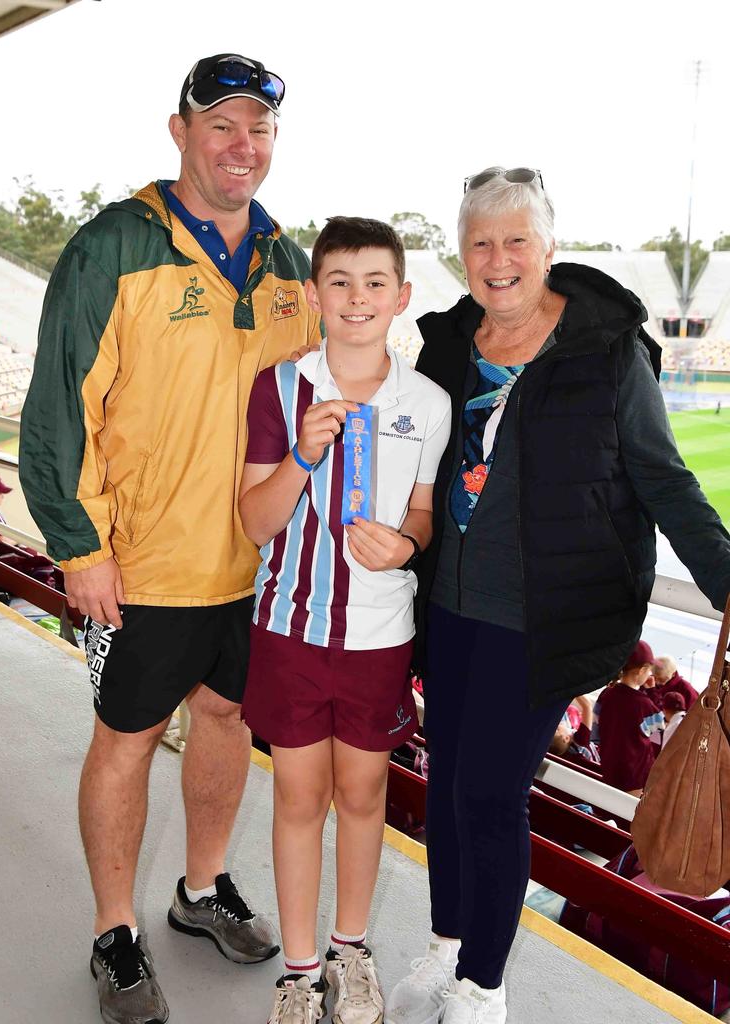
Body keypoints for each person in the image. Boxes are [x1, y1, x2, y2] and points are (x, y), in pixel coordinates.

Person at [384, 166, 730, 1024]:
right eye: (480, 242)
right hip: (449, 609)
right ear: (460, 253)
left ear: (548, 247)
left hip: (543, 621)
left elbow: (664, 480)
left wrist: (725, 579)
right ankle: (447, 944)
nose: (498, 259)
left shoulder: (606, 351)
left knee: (492, 796)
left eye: (516, 241)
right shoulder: (447, 344)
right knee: (449, 783)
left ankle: (485, 987)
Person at [19, 52, 321, 1024]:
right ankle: (116, 929)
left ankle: (199, 889)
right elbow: (59, 405)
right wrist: (80, 543)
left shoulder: (285, 265)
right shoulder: (115, 245)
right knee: (127, 737)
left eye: (260, 129)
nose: (243, 146)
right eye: (223, 125)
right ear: (180, 130)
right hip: (143, 561)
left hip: (254, 567)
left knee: (228, 722)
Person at [239, 217, 451, 1024]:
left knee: (363, 796)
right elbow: (255, 523)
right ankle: (298, 973)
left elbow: (424, 516)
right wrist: (302, 455)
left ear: (400, 297)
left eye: (374, 284)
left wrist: (405, 545)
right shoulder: (280, 386)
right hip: (290, 632)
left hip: (377, 638)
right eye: (339, 282)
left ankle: (349, 953)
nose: (357, 299)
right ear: (315, 295)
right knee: (297, 797)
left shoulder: (425, 403)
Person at [597, 641, 664, 794]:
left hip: (609, 768)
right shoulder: (645, 705)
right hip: (635, 777)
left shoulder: (606, 694)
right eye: (649, 671)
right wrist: (652, 692)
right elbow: (658, 739)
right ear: (641, 671)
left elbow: (596, 732)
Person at [548, 695, 600, 767]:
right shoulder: (580, 741)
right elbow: (587, 706)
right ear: (566, 738)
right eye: (557, 729)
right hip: (600, 754)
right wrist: (574, 691)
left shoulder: (562, 751)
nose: (557, 725)